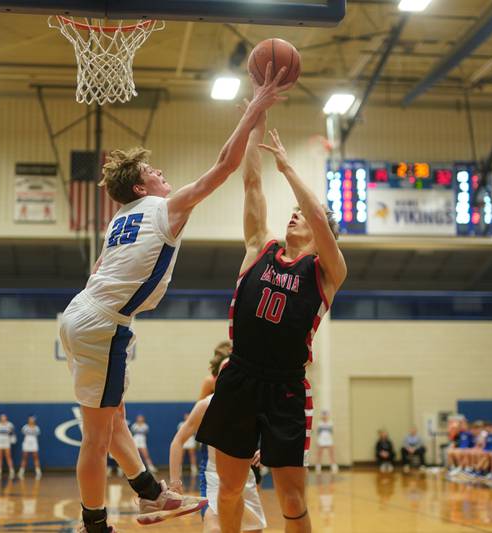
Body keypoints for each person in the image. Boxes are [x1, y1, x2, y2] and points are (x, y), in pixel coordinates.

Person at [57, 63, 291, 533]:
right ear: (142, 187)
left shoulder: (121, 218)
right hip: (104, 323)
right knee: (97, 435)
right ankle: (94, 523)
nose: (161, 172)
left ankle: (149, 492)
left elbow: (100, 271)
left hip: (80, 311)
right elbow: (225, 165)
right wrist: (255, 109)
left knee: (114, 417)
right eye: (152, 170)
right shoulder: (163, 208)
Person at [196, 100, 347, 533]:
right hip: (240, 377)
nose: (294, 214)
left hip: (286, 387)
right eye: (293, 212)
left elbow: (318, 213)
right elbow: (250, 182)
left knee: (292, 497)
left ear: (322, 239)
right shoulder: (258, 249)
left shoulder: (328, 273)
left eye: (302, 215)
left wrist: (289, 168)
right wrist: (257, 113)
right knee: (229, 487)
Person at [170, 385, 266, 532]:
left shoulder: (253, 402)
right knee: (214, 529)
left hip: (245, 477)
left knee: (253, 530)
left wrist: (267, 447)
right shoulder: (206, 405)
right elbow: (178, 441)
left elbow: (274, 426)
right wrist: (175, 482)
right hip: (213, 476)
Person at [0, 413, 16, 479]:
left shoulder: (10, 425)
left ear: (6, 418)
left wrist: (12, 440)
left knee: (8, 456)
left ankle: (11, 470)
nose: (3, 418)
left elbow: (12, 433)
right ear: (0, 418)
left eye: (4, 417)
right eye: (2, 417)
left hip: (7, 441)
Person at [177, 412, 199, 477]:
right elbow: (179, 434)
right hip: (183, 441)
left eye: (188, 416)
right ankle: (179, 470)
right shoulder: (181, 424)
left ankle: (194, 469)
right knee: (181, 455)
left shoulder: (193, 423)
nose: (186, 417)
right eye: (185, 416)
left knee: (192, 454)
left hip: (191, 440)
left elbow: (195, 432)